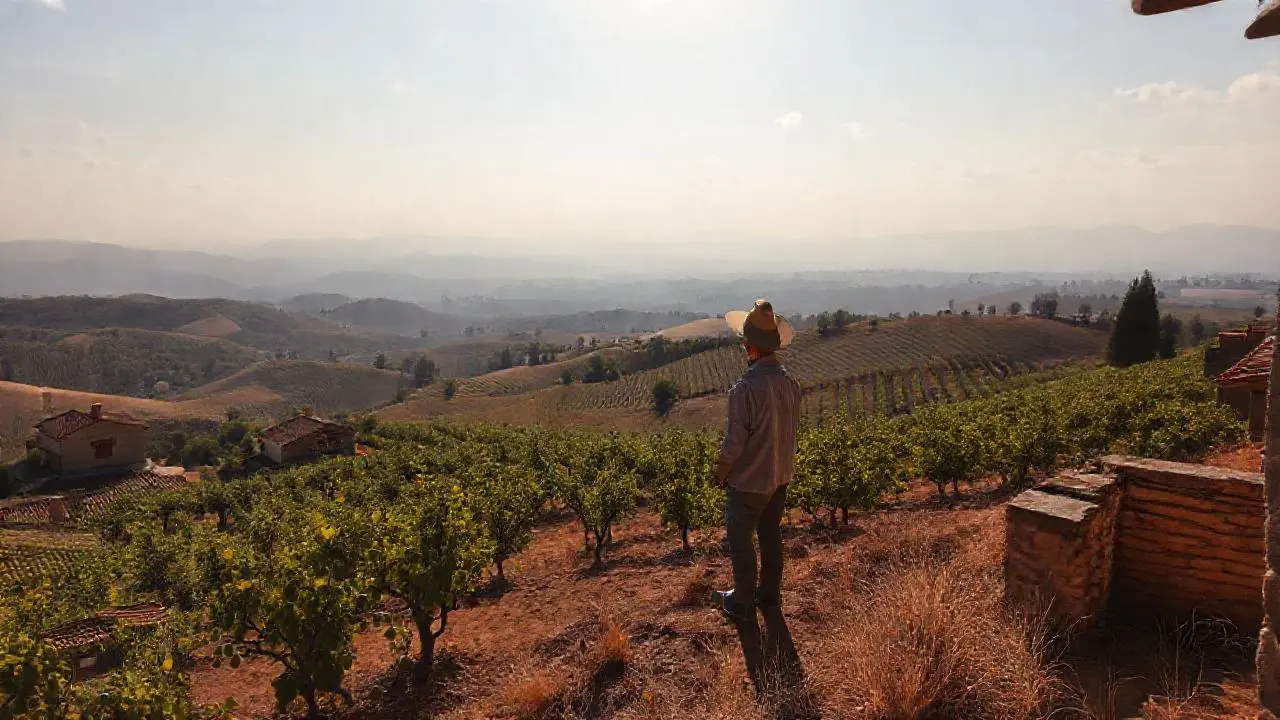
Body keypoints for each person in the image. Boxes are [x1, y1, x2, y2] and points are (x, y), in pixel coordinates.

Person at [713, 299, 802, 624]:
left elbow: (735, 442)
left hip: (750, 481)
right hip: (780, 476)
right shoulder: (791, 385)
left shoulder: (744, 391)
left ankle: (742, 602)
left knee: (740, 540)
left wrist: (720, 471)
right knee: (770, 535)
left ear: (751, 347)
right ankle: (770, 597)